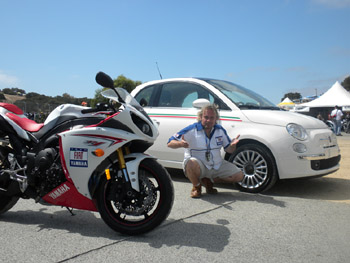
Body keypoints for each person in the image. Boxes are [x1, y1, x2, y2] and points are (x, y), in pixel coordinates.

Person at [167, 104, 244, 198]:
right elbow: (170, 142)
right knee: (190, 163)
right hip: (199, 165)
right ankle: (196, 187)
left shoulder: (220, 130)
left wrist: (233, 146)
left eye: (212, 118)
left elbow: (229, 150)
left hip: (216, 165)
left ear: (216, 119)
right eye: (206, 117)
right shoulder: (191, 129)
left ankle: (208, 181)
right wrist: (180, 144)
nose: (209, 120)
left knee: (239, 175)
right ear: (200, 117)